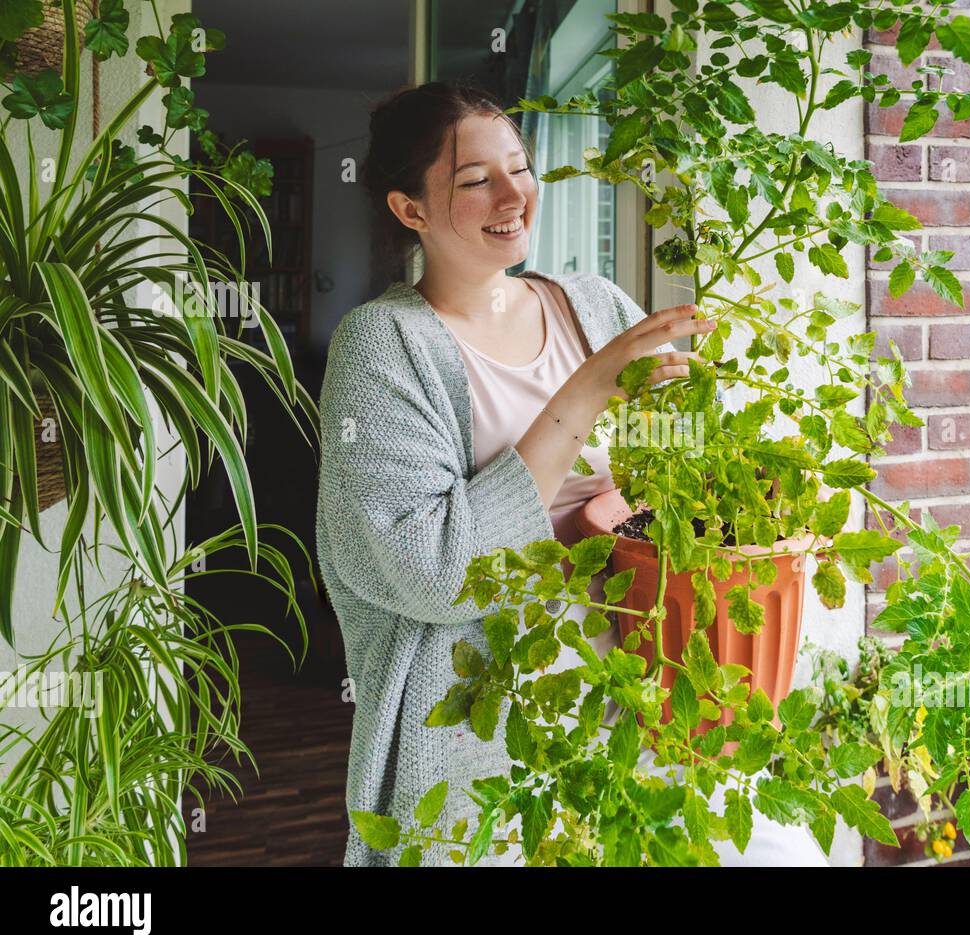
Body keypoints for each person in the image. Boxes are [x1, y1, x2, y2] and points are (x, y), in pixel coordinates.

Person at [316, 80, 825, 867]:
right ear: (410, 210)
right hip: (491, 722)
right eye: (476, 179)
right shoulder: (383, 346)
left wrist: (757, 517)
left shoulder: (594, 304)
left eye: (520, 167)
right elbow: (430, 574)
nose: (513, 194)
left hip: (653, 679)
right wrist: (588, 390)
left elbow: (681, 483)